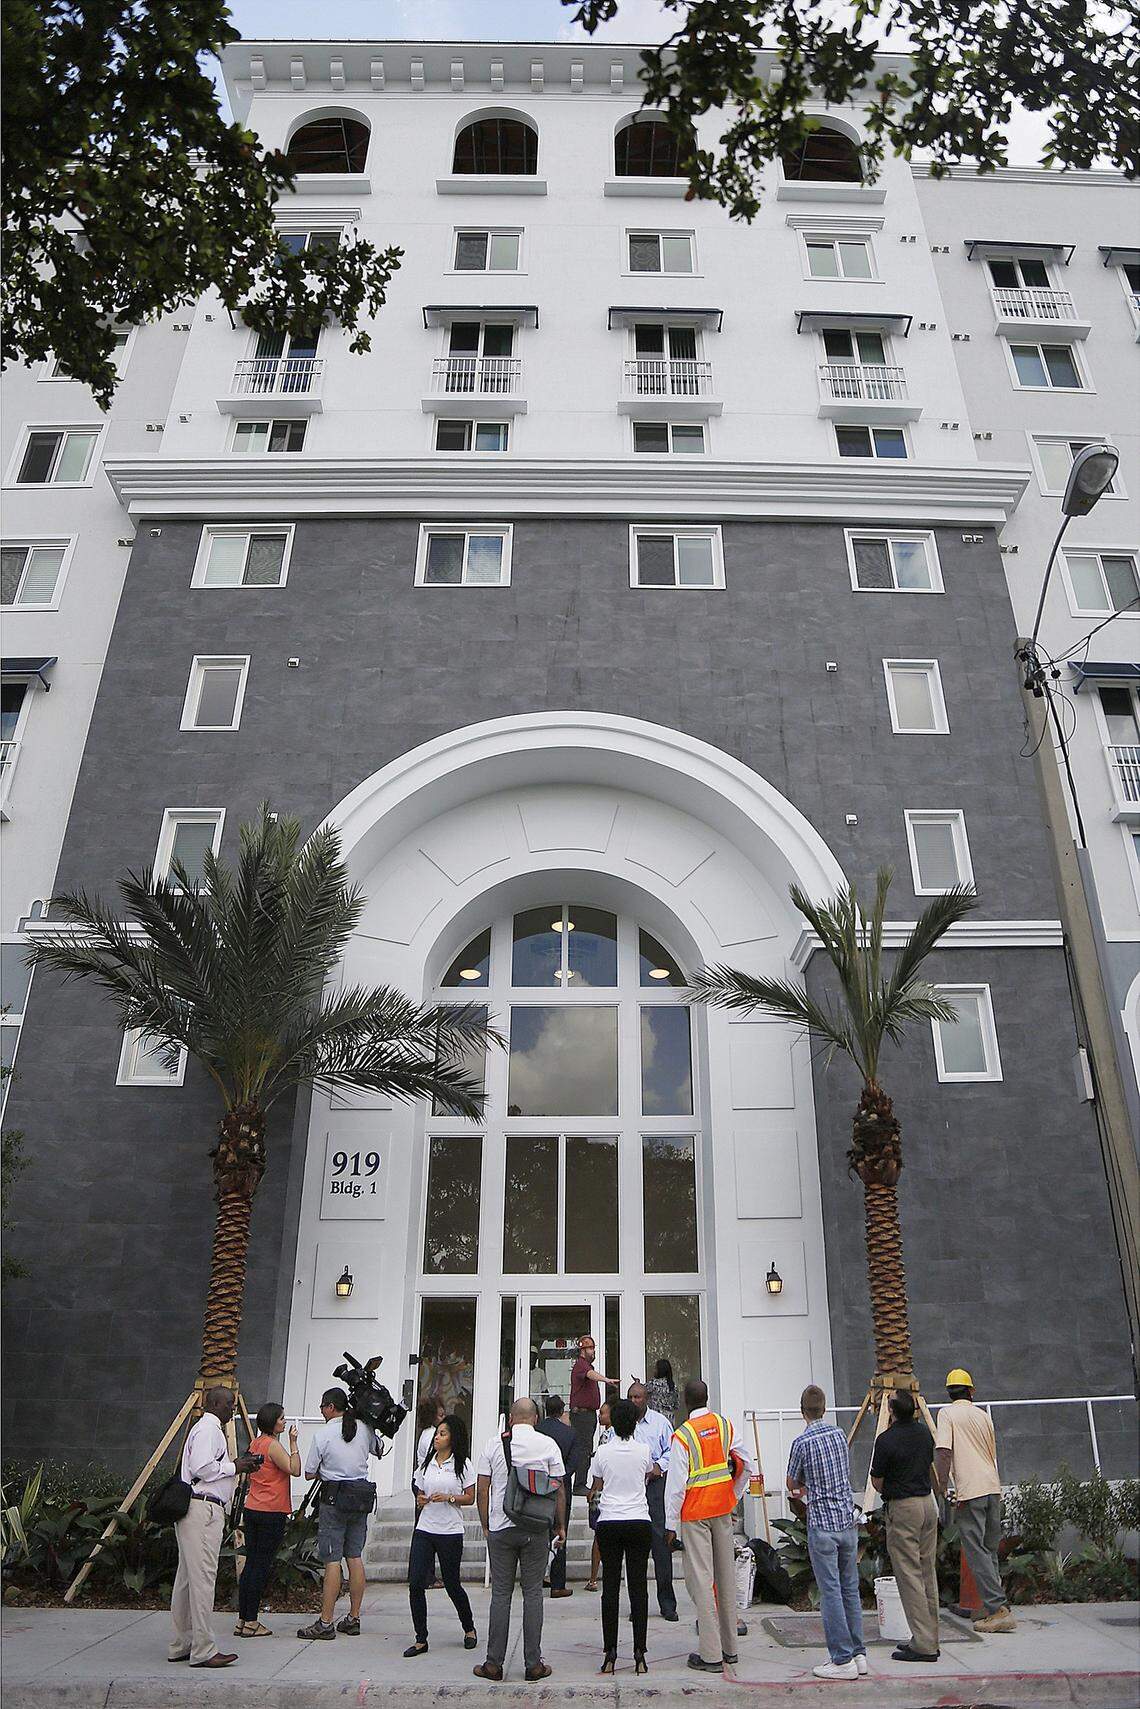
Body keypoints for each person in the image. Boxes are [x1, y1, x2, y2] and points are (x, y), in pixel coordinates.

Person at [473, 1396, 567, 1683]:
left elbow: (482, 1488)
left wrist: (486, 1524)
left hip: (502, 1527)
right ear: (536, 1419)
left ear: (511, 1419)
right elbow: (559, 1490)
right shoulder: (547, 1445)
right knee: (533, 1594)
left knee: (501, 1595)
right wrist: (560, 1526)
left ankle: (493, 1664)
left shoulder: (493, 1444)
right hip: (536, 1529)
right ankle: (533, 1664)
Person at [664, 1377, 753, 1674]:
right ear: (707, 1397)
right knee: (725, 1578)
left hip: (695, 1515)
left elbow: (676, 1485)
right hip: (722, 1511)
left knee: (701, 1582)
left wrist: (669, 1524)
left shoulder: (684, 1435)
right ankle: (730, 1649)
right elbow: (746, 1464)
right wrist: (733, 1495)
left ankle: (711, 1654)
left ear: (686, 1402)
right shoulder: (726, 1426)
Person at [168, 1386, 259, 1669]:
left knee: (186, 1580)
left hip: (195, 1509)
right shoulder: (209, 1429)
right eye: (229, 1403)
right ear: (216, 1403)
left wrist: (236, 1467)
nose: (233, 1408)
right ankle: (203, 1650)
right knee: (203, 1580)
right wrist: (236, 1467)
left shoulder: (204, 1428)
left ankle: (181, 1644)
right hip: (203, 1509)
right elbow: (202, 1468)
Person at [786, 1384, 868, 1683]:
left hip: (822, 1523)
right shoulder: (838, 1435)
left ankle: (842, 1657)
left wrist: (805, 1487)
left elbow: (791, 1482)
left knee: (831, 1591)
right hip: (847, 1520)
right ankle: (859, 1653)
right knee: (850, 1588)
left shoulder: (802, 1442)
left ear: (802, 1410)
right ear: (824, 1408)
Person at [935, 1368, 1017, 1633]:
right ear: (971, 1391)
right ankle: (995, 1605)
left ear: (949, 1393)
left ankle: (997, 1609)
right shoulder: (983, 1416)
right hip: (992, 1487)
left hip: (970, 1491)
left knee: (976, 1552)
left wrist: (941, 1487)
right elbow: (991, 1453)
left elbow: (944, 1452)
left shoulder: (946, 1414)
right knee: (990, 1549)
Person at [297, 1387, 379, 1641]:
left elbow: (309, 1472)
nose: (321, 1411)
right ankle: (354, 1618)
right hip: (360, 1497)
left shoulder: (323, 1434)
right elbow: (378, 1449)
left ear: (331, 1407)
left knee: (332, 1560)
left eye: (322, 1407)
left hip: (334, 1499)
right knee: (354, 1556)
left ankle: (325, 1622)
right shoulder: (364, 1428)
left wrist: (327, 1470)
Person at [870, 1390, 940, 1664]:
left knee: (909, 1575)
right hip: (927, 1504)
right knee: (927, 1572)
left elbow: (877, 1482)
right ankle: (930, 1637)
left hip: (904, 1507)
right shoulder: (924, 1433)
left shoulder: (885, 1440)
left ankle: (923, 1643)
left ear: (892, 1410)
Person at [589, 1396, 654, 1675]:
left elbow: (597, 1482)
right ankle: (639, 1651)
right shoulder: (643, 1449)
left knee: (611, 1588)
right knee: (639, 1587)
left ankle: (610, 1651)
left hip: (610, 1520)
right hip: (639, 1518)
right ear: (635, 1422)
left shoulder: (602, 1453)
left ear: (613, 1423)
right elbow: (648, 1473)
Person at [404, 1413, 478, 1657]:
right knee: (416, 1582)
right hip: (425, 1528)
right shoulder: (427, 1463)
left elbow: (470, 1497)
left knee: (452, 1583)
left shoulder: (462, 1464)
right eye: (437, 1433)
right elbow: (419, 1490)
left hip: (450, 1530)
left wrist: (449, 1497)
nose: (437, 1437)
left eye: (442, 1433)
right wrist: (420, 1499)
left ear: (452, 1438)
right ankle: (421, 1638)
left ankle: (469, 1628)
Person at [235, 1403, 300, 1638]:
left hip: (253, 1508)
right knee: (260, 1566)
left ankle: (243, 1618)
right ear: (273, 1422)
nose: (284, 1422)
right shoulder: (273, 1446)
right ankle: (251, 1621)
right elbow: (294, 1469)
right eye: (281, 1419)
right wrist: (293, 1444)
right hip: (271, 1511)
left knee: (251, 1564)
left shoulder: (256, 1443)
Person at [627, 1381, 678, 1621]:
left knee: (661, 1548)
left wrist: (659, 1466)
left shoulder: (660, 1423)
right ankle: (637, 1607)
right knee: (635, 1551)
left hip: (655, 1489)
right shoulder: (623, 1422)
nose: (635, 1401)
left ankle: (667, 1604)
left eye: (638, 1397)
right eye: (631, 1397)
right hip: (631, 1490)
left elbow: (672, 1451)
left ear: (646, 1398)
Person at [536, 1394, 578, 1598]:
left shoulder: (537, 1431)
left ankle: (538, 1577)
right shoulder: (570, 1433)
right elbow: (573, 1462)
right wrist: (560, 1477)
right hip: (561, 1486)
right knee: (560, 1532)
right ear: (562, 1412)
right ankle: (557, 1583)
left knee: (539, 1533)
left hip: (538, 1486)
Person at [568, 1334, 616, 1494]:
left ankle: (579, 1483)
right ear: (582, 1350)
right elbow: (590, 1375)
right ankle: (579, 1484)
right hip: (582, 1416)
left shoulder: (586, 1366)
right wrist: (606, 1380)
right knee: (583, 1449)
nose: (593, 1351)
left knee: (585, 1448)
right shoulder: (582, 1366)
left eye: (593, 1348)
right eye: (590, 1348)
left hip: (586, 1415)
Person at [584, 1399, 612, 1593]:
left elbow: (599, 1470)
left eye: (603, 1413)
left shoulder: (606, 1437)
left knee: (599, 1536)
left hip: (603, 1494)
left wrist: (593, 1489)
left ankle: (593, 1578)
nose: (599, 1416)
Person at [413, 1396, 444, 1525]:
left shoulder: (426, 1433)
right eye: (440, 1415)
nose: (444, 1419)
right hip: (424, 1482)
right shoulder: (432, 1436)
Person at [645, 1358, 678, 1424]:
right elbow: (676, 1405)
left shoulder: (654, 1384)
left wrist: (637, 1382)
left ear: (660, 1370)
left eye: (655, 1369)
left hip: (656, 1420)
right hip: (670, 1420)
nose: (654, 1371)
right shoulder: (673, 1386)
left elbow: (641, 1391)